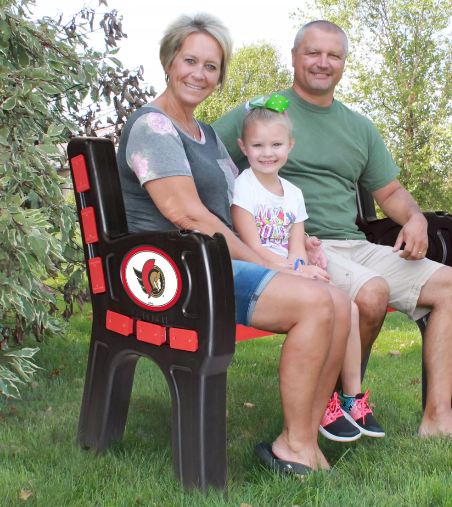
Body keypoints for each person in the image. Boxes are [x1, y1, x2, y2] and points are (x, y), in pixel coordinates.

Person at [213, 20, 452, 448]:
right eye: (312, 53)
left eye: (334, 55)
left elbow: (391, 191)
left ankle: (438, 418)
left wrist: (415, 219)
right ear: (294, 57)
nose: (322, 63)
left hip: (355, 243)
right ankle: (338, 400)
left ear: (344, 64)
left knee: (450, 286)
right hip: (301, 247)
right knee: (370, 293)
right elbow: (203, 153)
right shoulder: (263, 113)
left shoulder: (358, 126)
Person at [117, 13, 357, 474]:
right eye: (190, 60)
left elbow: (239, 209)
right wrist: (275, 266)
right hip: (176, 272)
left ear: (220, 76)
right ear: (169, 61)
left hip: (215, 261)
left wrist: (296, 246)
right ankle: (298, 443)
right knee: (314, 303)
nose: (199, 74)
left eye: (211, 66)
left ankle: (301, 438)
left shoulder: (205, 134)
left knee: (339, 300)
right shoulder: (153, 127)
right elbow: (187, 214)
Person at [231, 99, 385, 441]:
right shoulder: (244, 185)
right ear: (243, 147)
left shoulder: (294, 194)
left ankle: (351, 398)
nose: (267, 153)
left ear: (290, 146)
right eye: (257, 145)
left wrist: (303, 266)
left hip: (289, 270)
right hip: (260, 270)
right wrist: (296, 272)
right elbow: (252, 245)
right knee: (327, 303)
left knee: (349, 306)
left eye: (276, 144)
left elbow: (296, 245)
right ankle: (323, 403)